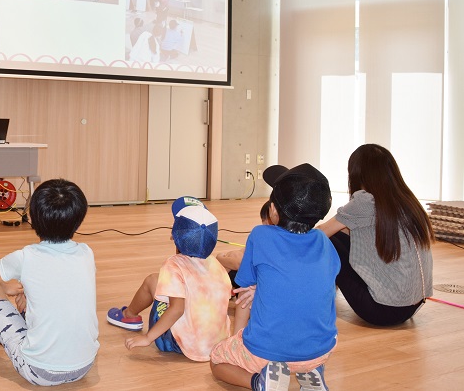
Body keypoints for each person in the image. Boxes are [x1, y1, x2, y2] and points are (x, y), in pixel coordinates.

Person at [210, 163, 340, 391]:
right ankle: (312, 374)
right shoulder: (324, 243)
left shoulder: (260, 235)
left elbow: (243, 295)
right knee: (309, 345)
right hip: (321, 349)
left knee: (217, 361)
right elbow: (311, 286)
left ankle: (259, 382)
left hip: (265, 351)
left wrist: (238, 337)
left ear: (272, 210)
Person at [0, 179, 99, 386]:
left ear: (34, 218)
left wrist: (4, 286)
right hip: (84, 366)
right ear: (78, 219)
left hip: (38, 371)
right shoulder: (86, 253)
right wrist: (24, 290)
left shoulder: (26, 256)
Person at [316, 143, 434, 326]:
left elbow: (322, 233)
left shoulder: (365, 201)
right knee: (339, 237)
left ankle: (314, 297)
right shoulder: (408, 201)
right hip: (414, 304)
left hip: (382, 310)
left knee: (327, 241)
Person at [106, 196, 232, 362]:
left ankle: (129, 315)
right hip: (216, 343)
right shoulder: (217, 265)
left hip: (181, 344)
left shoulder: (173, 265)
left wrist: (148, 338)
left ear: (174, 235)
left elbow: (177, 309)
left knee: (152, 281)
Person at [216, 200, 272, 289]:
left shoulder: (265, 237)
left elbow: (240, 264)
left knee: (232, 262)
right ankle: (223, 288)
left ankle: (220, 288)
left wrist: (219, 258)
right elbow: (245, 252)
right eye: (263, 221)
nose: (264, 225)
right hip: (256, 276)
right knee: (235, 255)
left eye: (268, 221)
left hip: (259, 281)